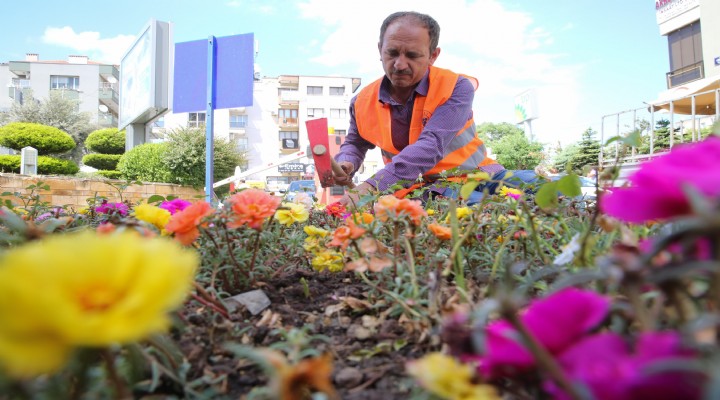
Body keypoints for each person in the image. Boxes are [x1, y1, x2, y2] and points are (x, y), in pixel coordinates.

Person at [332, 11, 533, 206]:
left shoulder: (456, 86)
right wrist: (347, 162)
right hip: (425, 189)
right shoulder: (361, 102)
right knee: (496, 211)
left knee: (549, 188)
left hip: (482, 176)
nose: (400, 65)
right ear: (379, 50)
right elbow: (356, 143)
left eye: (412, 55)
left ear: (433, 56)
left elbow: (432, 145)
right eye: (391, 53)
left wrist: (372, 187)